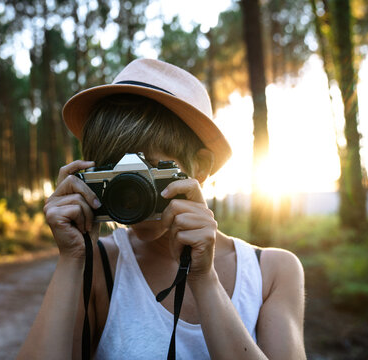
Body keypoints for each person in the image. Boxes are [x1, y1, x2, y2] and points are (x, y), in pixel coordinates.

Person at [18, 59, 305, 359]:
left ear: (202, 168)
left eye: (149, 170)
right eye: (114, 170)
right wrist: (72, 260)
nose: (130, 192)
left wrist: (204, 279)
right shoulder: (98, 268)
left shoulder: (272, 272)